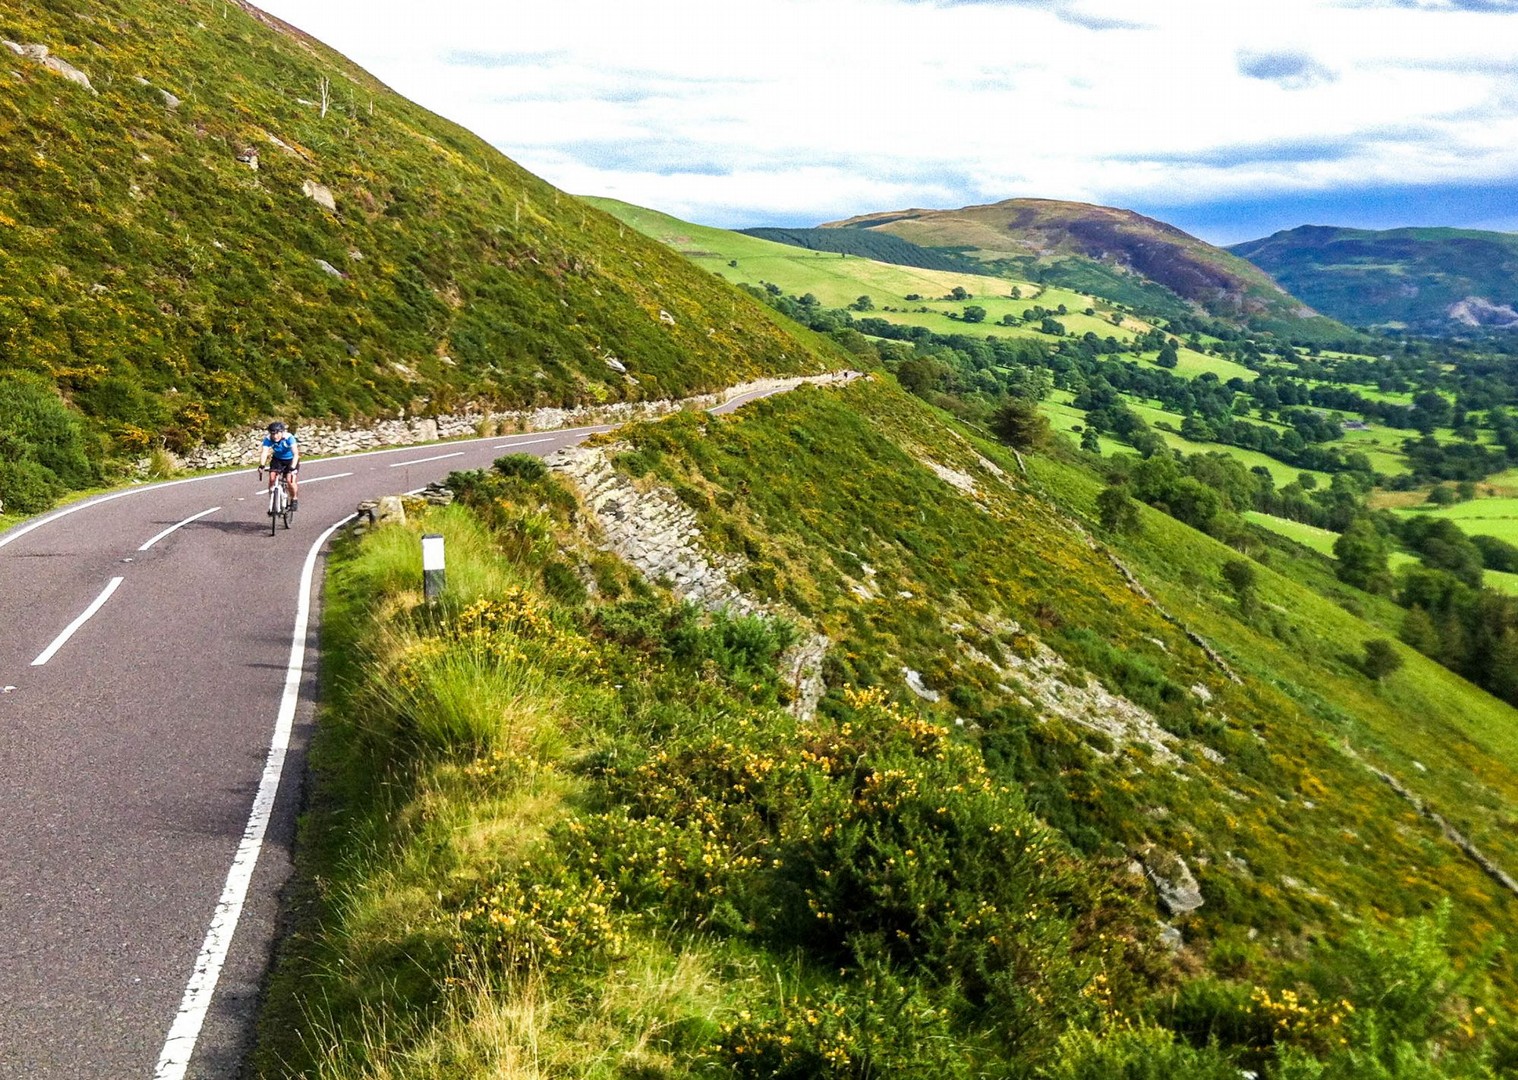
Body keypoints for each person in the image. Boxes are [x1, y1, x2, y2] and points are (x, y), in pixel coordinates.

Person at [259, 421, 300, 511]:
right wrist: (262, 465)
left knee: (290, 480)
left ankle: (294, 499)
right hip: (277, 459)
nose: (275, 436)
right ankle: (272, 502)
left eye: (277, 433)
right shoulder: (268, 439)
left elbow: (296, 454)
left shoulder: (289, 438)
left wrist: (292, 468)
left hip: (291, 460)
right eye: (272, 434)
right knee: (272, 478)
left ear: (282, 432)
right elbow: (264, 452)